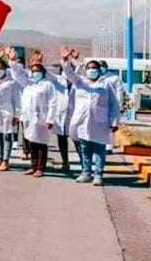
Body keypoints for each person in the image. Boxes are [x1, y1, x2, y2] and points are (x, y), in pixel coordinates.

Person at [62, 48, 121, 186]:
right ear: (85, 70)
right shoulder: (80, 82)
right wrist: (65, 60)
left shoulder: (106, 84)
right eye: (89, 68)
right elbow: (69, 73)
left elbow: (114, 104)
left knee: (100, 149)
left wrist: (114, 121)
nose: (92, 70)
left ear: (99, 70)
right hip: (82, 121)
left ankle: (98, 175)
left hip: (100, 122)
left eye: (94, 68)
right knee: (85, 148)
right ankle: (86, 172)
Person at [7, 47, 56, 177]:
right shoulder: (28, 83)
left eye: (38, 71)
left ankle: (40, 168)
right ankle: (33, 166)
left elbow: (52, 102)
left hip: (42, 119)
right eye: (33, 71)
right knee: (32, 142)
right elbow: (17, 73)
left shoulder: (48, 84)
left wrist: (50, 119)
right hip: (28, 118)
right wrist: (12, 61)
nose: (35, 73)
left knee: (41, 143)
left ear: (43, 72)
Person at [99, 60, 126, 153]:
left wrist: (119, 106)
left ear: (106, 66)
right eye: (100, 66)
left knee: (111, 126)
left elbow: (119, 93)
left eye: (103, 66)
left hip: (112, 106)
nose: (101, 67)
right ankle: (100, 144)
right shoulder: (97, 77)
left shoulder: (114, 78)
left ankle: (109, 147)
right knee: (99, 127)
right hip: (99, 106)